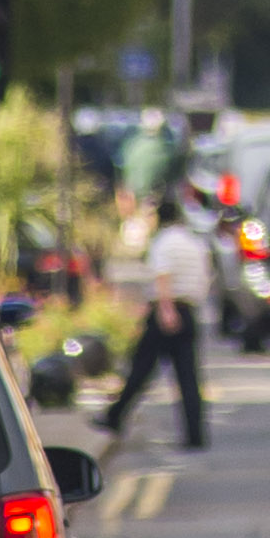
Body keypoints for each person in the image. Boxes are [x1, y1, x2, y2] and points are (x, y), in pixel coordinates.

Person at [103, 190, 213, 451]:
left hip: (166, 311)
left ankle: (114, 417)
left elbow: (163, 277)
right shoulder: (194, 243)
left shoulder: (163, 242)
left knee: (140, 368)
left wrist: (165, 310)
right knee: (188, 376)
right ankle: (195, 433)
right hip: (188, 310)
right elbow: (206, 277)